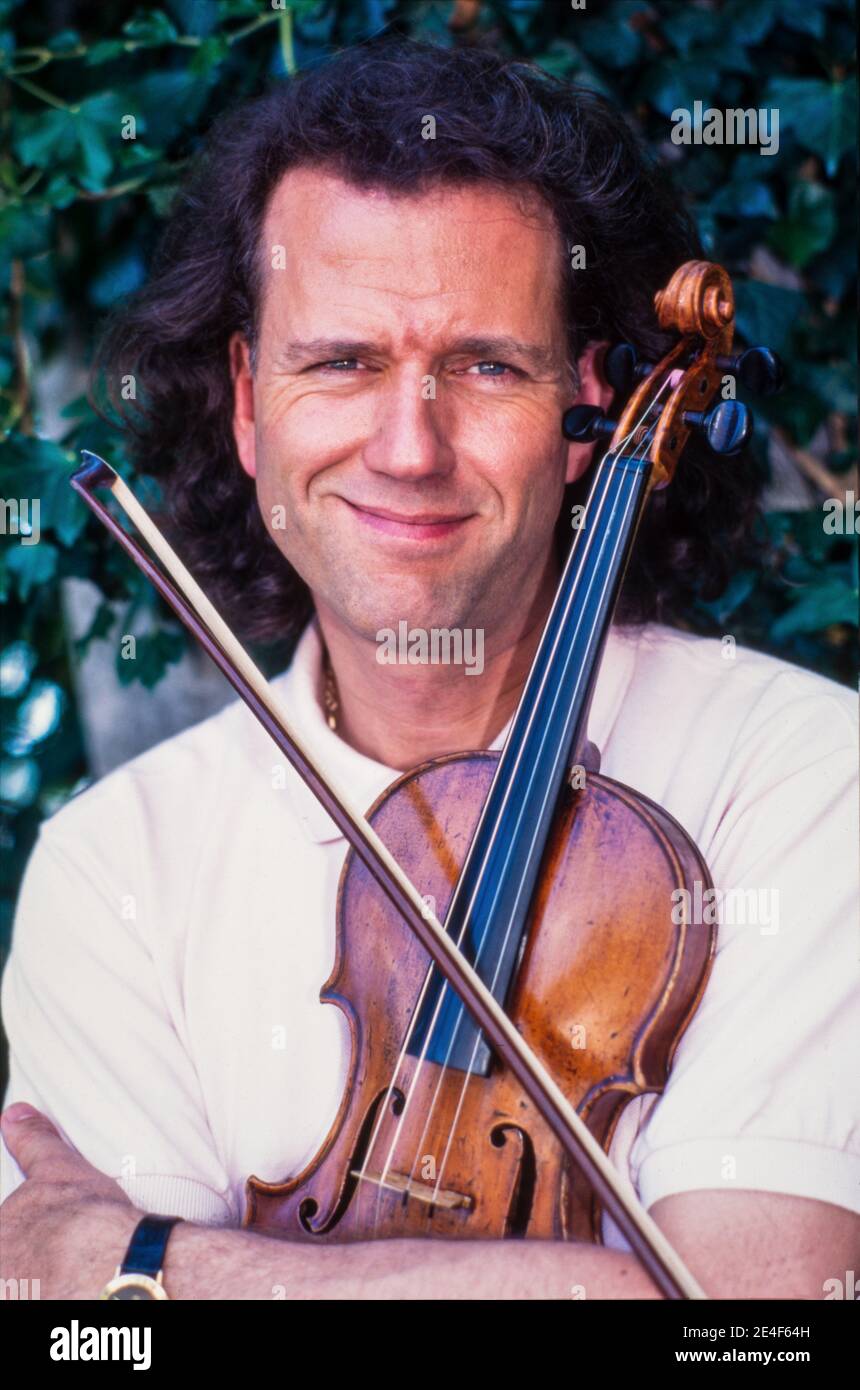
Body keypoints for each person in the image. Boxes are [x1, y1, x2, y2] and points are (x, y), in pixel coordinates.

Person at [1, 40, 857, 1301]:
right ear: (248, 402)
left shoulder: (795, 781)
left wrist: (150, 1264)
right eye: (339, 361)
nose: (407, 448)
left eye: (483, 366)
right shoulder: (117, 870)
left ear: (589, 413)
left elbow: (751, 1331)